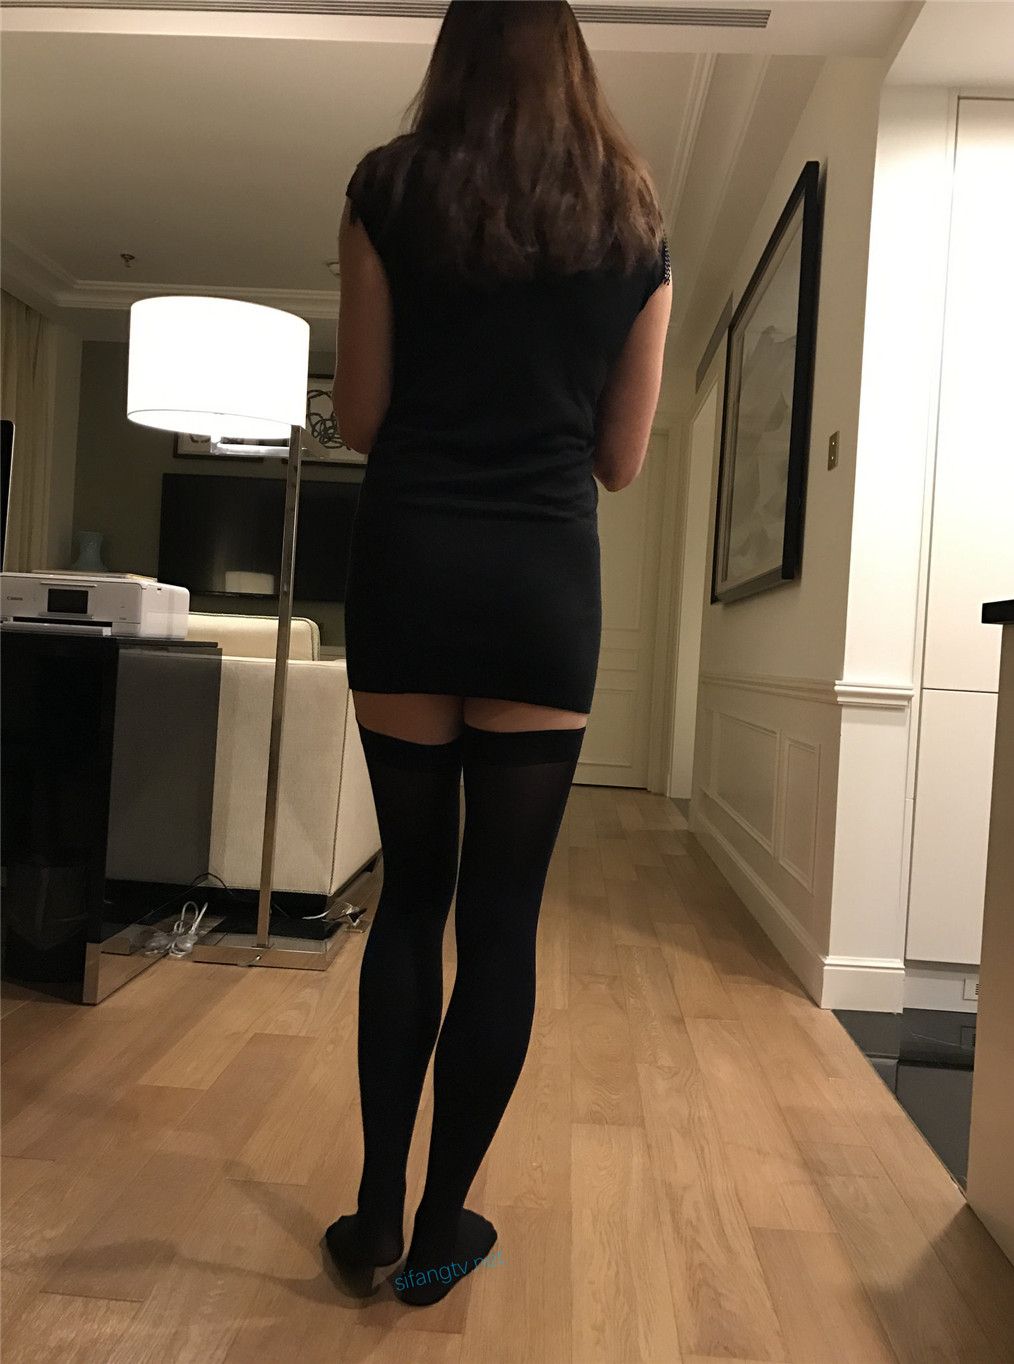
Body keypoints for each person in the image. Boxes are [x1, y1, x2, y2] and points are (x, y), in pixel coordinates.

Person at [324, 0, 671, 1308]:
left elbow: (363, 415)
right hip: (540, 588)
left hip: (409, 568)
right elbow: (619, 462)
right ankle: (440, 1227)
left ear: (453, 55)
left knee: (410, 898)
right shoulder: (634, 224)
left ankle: (370, 1213)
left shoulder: (385, 190)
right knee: (503, 917)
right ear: (574, 63)